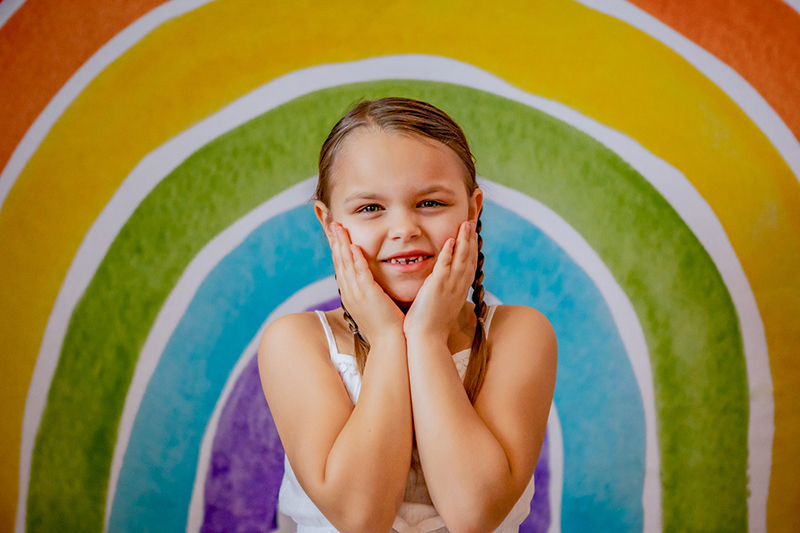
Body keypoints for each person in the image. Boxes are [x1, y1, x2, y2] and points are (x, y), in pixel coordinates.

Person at [258, 97, 557, 533]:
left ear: (473, 210)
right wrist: (385, 338)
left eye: (431, 203)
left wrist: (425, 336)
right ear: (328, 223)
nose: (404, 229)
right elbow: (362, 518)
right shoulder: (296, 343)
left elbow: (473, 513)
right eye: (369, 208)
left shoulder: (518, 335)